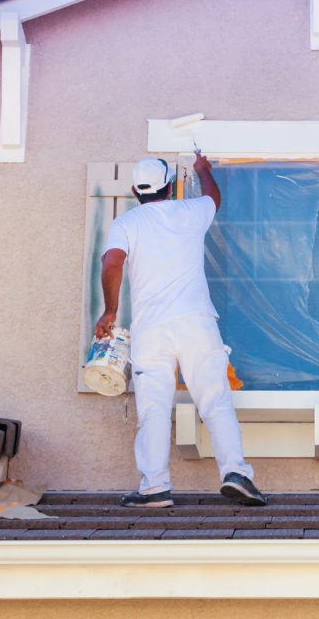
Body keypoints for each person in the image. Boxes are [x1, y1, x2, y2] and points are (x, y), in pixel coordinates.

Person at [93, 154, 267, 508]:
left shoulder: (125, 223)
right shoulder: (190, 212)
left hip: (151, 331)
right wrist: (203, 170)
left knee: (153, 410)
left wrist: (109, 311)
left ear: (133, 192)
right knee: (216, 402)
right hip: (196, 325)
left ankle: (154, 487)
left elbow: (112, 262)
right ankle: (237, 474)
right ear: (170, 187)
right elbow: (212, 198)